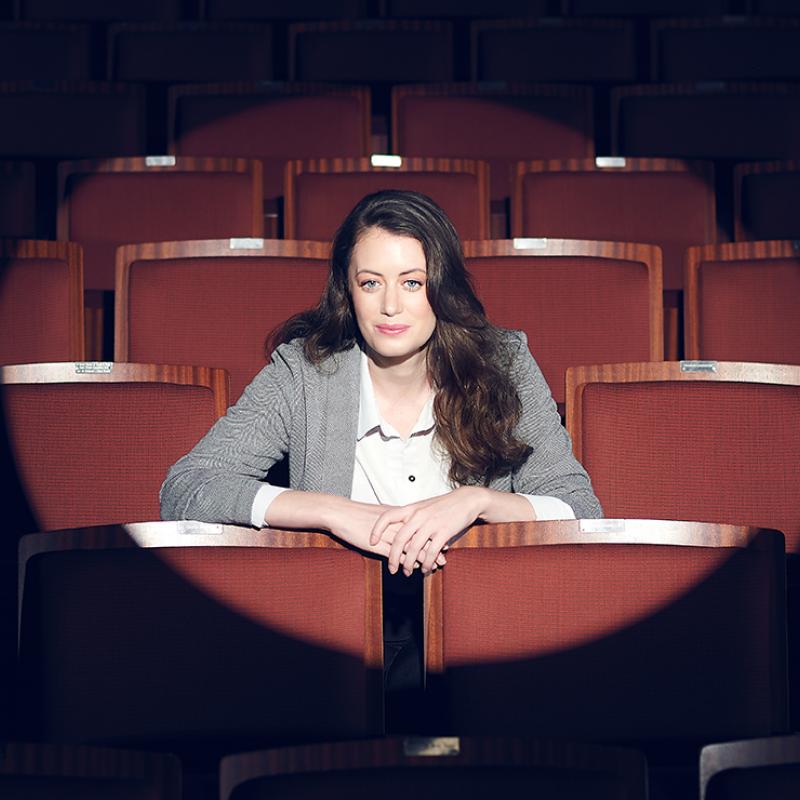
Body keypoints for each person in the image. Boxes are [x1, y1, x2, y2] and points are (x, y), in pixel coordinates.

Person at [161, 190, 602, 713]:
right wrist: (333, 512)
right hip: (341, 638)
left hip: (485, 634)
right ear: (347, 291)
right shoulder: (303, 373)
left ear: (441, 287)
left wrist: (477, 503)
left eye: (412, 283)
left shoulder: (503, 363)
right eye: (371, 283)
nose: (390, 306)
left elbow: (579, 509)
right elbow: (187, 491)